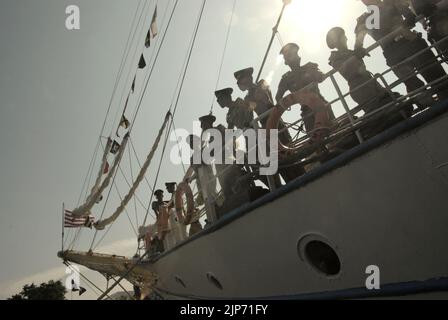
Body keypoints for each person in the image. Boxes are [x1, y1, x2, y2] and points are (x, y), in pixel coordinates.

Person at [355, 0, 448, 105]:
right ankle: (430, 106)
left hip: (411, 43)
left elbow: (408, 14)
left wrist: (408, 20)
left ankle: (443, 97)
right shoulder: (364, 19)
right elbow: (359, 40)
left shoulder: (391, 2)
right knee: (416, 88)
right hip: (393, 53)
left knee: (436, 77)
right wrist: (359, 48)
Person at [326, 27, 398, 114]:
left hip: (369, 80)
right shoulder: (335, 58)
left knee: (393, 100)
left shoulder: (351, 52)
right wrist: (356, 56)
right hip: (359, 87)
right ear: (336, 41)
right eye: (342, 36)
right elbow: (343, 68)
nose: (346, 38)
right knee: (380, 111)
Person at [275, 43, 335, 141]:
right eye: (289, 55)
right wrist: (289, 100)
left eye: (295, 54)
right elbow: (278, 97)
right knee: (316, 141)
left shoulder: (310, 67)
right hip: (307, 111)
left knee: (334, 130)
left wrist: (315, 74)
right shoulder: (286, 79)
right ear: (286, 62)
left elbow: (321, 77)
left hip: (321, 104)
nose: (295, 57)